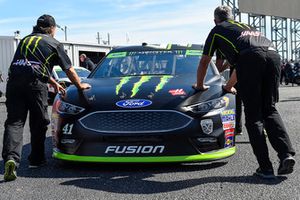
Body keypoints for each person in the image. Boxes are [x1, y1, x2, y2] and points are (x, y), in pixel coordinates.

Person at [193, 6, 295, 179]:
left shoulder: (217, 30)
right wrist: (228, 86)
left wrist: (201, 85)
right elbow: (240, 64)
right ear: (232, 17)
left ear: (215, 20)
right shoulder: (247, 27)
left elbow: (205, 62)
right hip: (273, 55)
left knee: (254, 115)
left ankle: (266, 168)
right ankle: (286, 155)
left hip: (251, 58)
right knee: (269, 109)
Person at [2, 14, 91, 181]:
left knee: (14, 122)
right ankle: (36, 160)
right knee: (39, 122)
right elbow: (69, 70)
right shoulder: (54, 43)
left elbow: (31, 65)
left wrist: (54, 83)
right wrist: (80, 85)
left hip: (13, 82)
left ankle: (11, 159)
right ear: (52, 28)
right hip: (35, 85)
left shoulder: (25, 40)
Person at [215, 53, 243, 135]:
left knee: (237, 102)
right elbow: (225, 65)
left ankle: (238, 128)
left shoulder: (224, 47)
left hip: (236, 77)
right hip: (243, 76)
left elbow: (221, 67)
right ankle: (259, 129)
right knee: (241, 103)